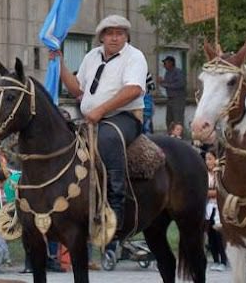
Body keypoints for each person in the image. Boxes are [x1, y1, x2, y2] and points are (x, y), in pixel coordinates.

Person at [56, 14, 147, 247]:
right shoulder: (91, 56)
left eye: (120, 33)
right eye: (110, 33)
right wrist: (60, 64)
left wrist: (101, 110)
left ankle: (116, 209)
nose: (115, 38)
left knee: (107, 139)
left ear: (126, 36)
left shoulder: (134, 57)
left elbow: (134, 89)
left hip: (123, 117)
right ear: (102, 37)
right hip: (92, 118)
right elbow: (78, 88)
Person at [204, 150, 227, 272]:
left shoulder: (220, 174)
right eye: (206, 159)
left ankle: (223, 260)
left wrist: (211, 193)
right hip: (208, 207)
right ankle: (215, 260)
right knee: (211, 235)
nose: (208, 162)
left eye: (210, 159)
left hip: (219, 206)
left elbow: (221, 190)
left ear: (216, 160)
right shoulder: (204, 174)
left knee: (219, 235)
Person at [158, 55, 186, 129]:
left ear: (171, 63)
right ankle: (170, 135)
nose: (164, 65)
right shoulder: (167, 73)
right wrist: (162, 82)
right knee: (169, 119)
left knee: (177, 119)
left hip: (178, 99)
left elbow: (180, 84)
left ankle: (179, 136)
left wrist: (165, 84)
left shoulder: (178, 72)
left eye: (165, 63)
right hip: (170, 98)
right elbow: (168, 83)